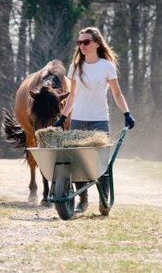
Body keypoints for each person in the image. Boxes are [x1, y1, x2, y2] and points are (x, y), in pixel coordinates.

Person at [53, 27, 135, 214]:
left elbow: (116, 93)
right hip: (78, 120)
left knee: (101, 162)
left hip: (99, 120)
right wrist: (63, 117)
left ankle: (104, 200)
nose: (82, 46)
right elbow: (72, 95)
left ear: (97, 43)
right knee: (77, 161)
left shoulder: (106, 66)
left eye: (86, 42)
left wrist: (126, 113)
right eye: (79, 42)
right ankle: (83, 199)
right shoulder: (75, 67)